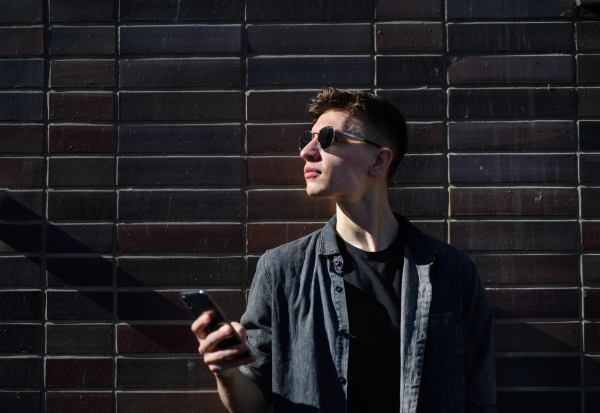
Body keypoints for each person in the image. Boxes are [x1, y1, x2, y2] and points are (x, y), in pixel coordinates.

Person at [192, 87, 497, 413]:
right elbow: (251, 403)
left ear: (378, 160)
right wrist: (225, 371)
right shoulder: (282, 269)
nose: (307, 152)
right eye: (306, 140)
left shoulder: (451, 271)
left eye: (327, 138)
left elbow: (479, 399)